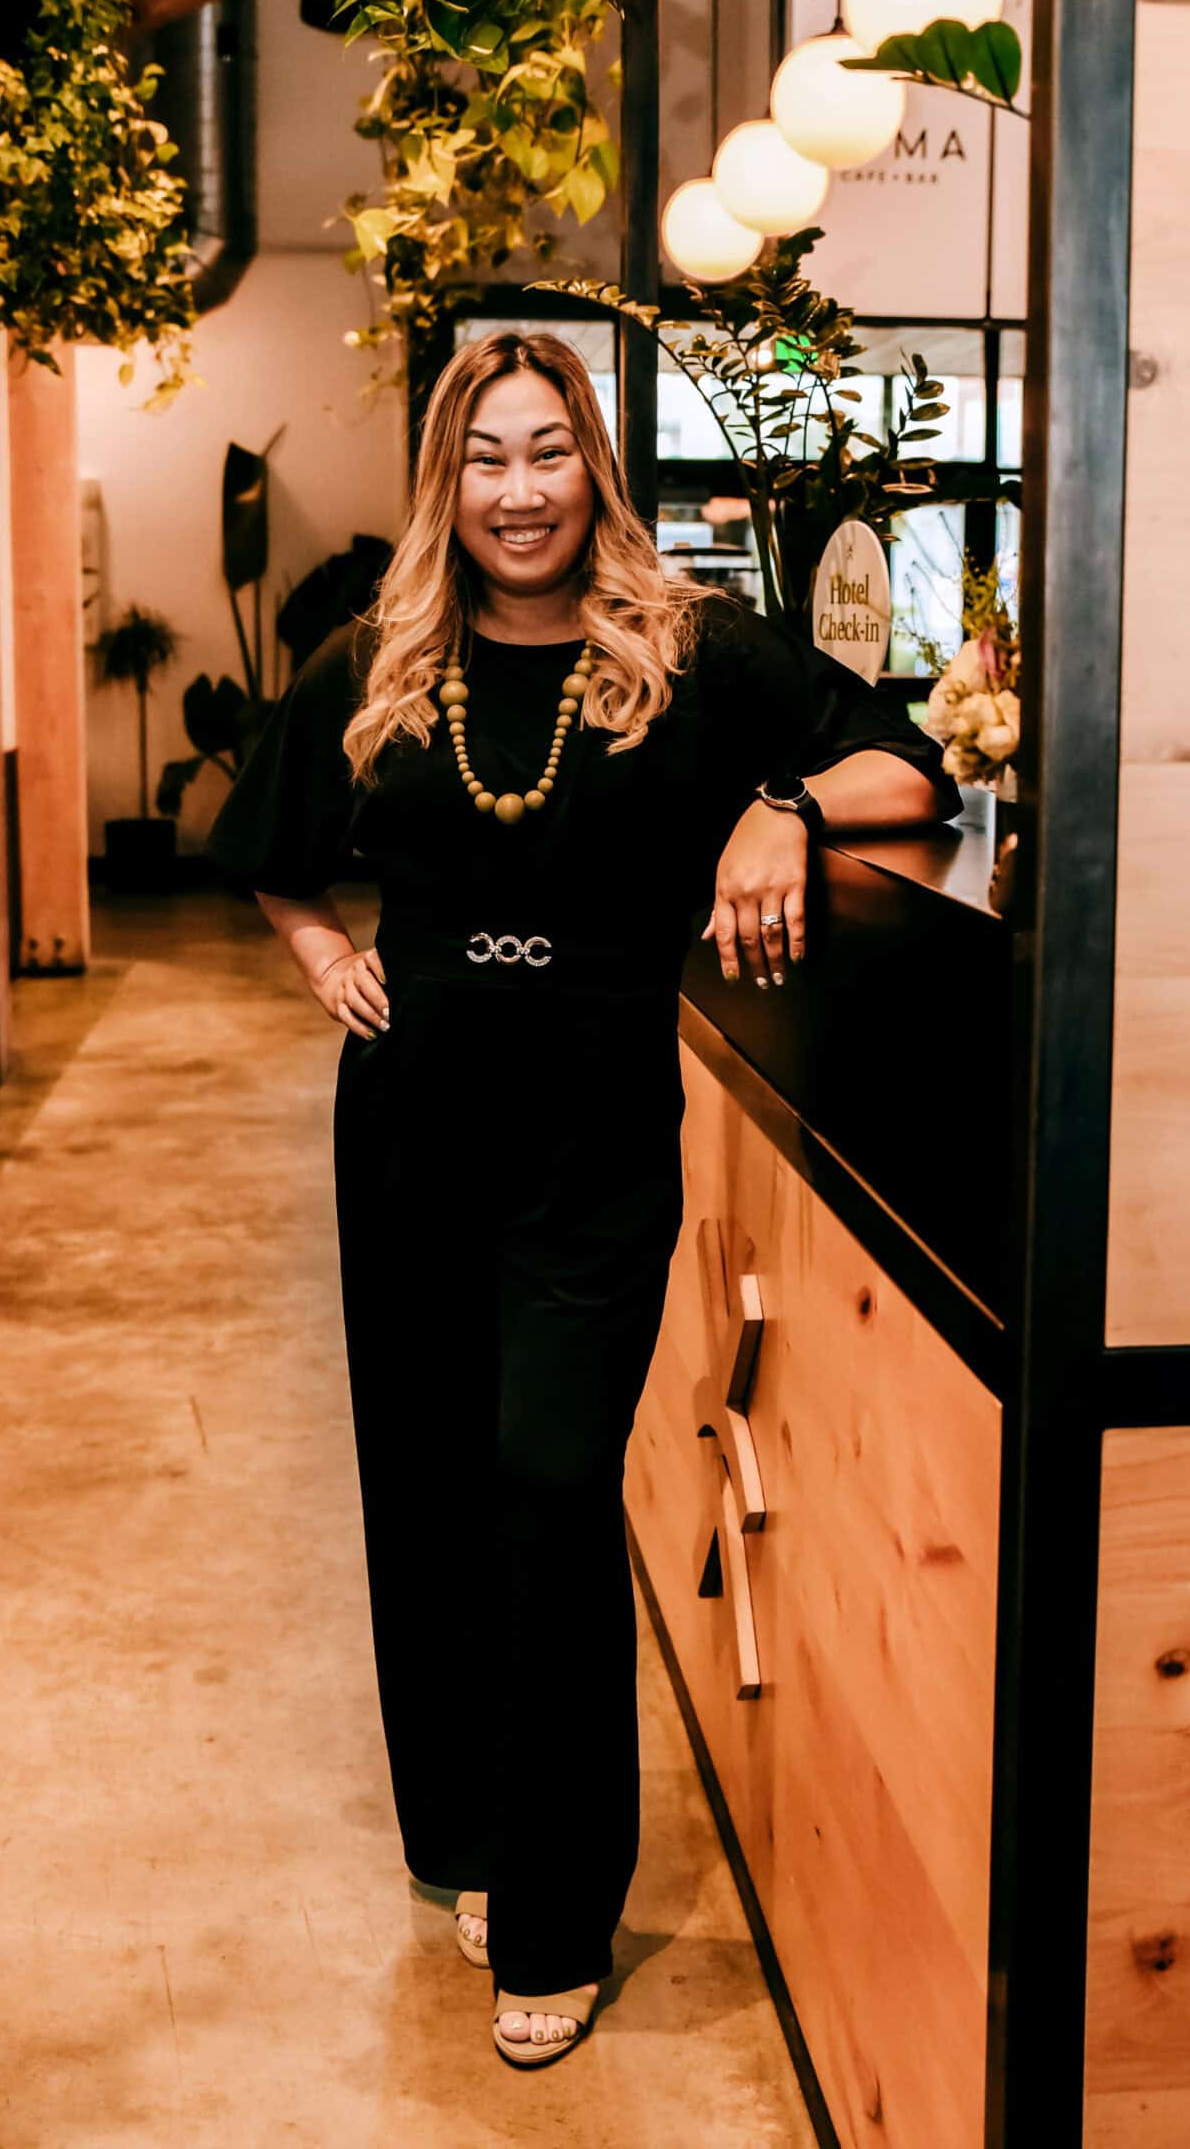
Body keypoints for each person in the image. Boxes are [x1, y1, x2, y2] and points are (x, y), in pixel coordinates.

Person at [206, 330, 959, 2068]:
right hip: (412, 1114)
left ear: (592, 470)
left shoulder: (692, 652)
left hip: (591, 1125)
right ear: (445, 482)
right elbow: (269, 853)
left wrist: (776, 805)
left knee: (549, 1485)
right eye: (486, 458)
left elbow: (904, 765)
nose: (519, 490)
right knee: (431, 1483)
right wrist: (322, 953)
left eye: (547, 451)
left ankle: (555, 1913)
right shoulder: (378, 659)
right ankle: (474, 1834)